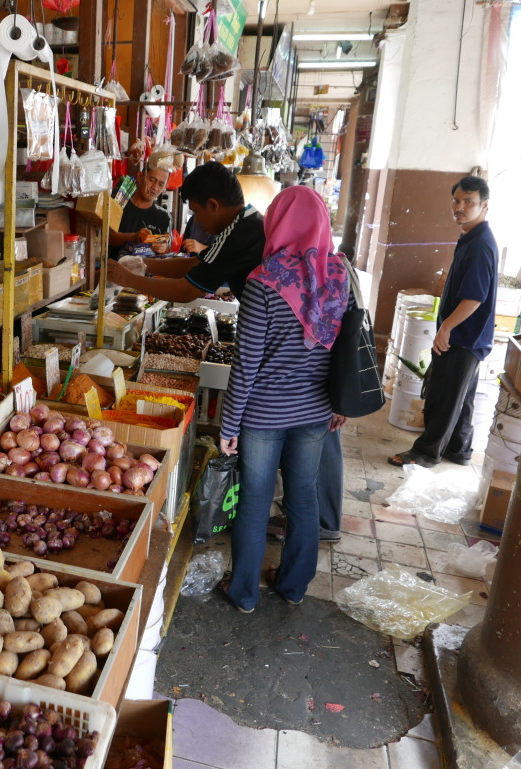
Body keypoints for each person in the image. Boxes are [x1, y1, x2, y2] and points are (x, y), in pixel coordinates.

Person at [218, 186, 350, 613]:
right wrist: (338, 403)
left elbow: (246, 365)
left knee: (255, 500)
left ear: (277, 223)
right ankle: (293, 586)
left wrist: (228, 425)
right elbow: (342, 351)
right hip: (314, 411)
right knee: (303, 496)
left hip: (263, 415)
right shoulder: (339, 278)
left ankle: (243, 593)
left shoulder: (263, 283)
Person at [388, 175, 497, 468]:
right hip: (469, 336)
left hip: (464, 337)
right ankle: (458, 450)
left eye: (469, 202)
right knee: (461, 398)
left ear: (484, 205)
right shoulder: (470, 238)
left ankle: (425, 453)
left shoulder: (480, 245)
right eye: (457, 200)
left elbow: (475, 298)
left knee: (444, 397)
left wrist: (446, 327)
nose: (460, 207)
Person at [106, 162, 266, 303]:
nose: (197, 221)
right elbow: (194, 264)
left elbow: (186, 291)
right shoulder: (245, 222)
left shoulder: (238, 234)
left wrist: (129, 279)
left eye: (196, 211)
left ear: (213, 205)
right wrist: (138, 263)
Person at [108, 167, 172, 260]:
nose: (155, 187)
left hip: (145, 273)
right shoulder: (119, 204)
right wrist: (134, 237)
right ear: (140, 176)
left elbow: (167, 247)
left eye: (161, 184)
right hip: (114, 269)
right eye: (152, 180)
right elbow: (107, 236)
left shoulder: (164, 216)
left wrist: (163, 248)